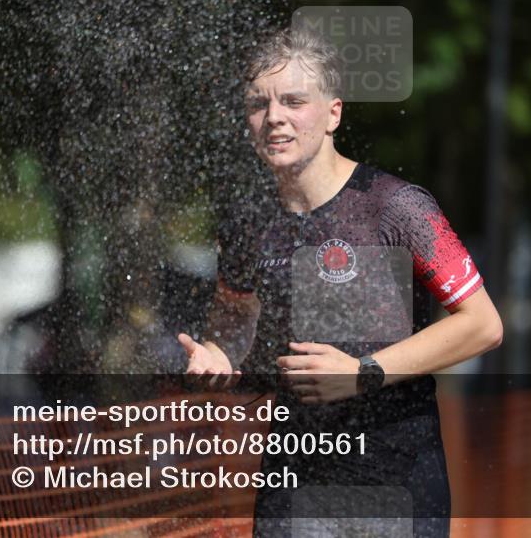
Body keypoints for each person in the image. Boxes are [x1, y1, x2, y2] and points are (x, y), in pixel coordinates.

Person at [178, 27, 503, 537]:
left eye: (293, 101)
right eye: (258, 104)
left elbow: (483, 324)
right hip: (294, 487)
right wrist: (221, 353)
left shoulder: (396, 207)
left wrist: (363, 371)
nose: (274, 118)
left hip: (396, 484)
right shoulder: (248, 223)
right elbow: (235, 316)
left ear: (334, 112)